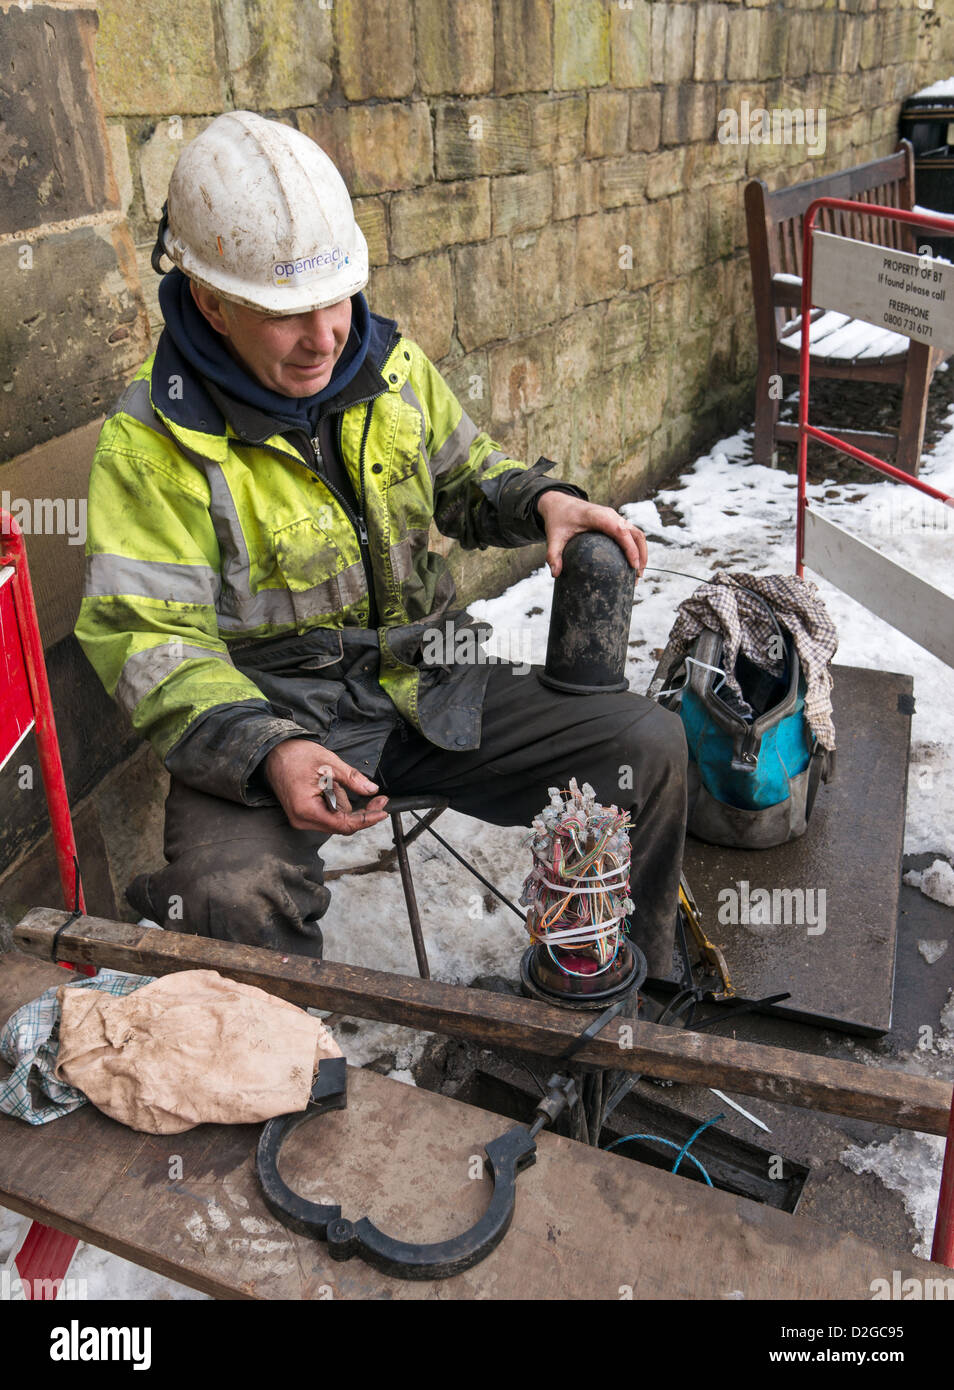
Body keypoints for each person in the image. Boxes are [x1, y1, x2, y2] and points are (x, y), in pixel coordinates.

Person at [74, 111, 687, 978]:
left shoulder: (388, 366)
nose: (325, 336)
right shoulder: (151, 442)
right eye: (285, 314)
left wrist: (542, 499)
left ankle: (641, 994)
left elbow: (467, 475)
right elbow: (150, 639)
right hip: (277, 725)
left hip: (426, 687)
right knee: (229, 898)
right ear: (210, 303)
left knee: (647, 748)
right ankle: (294, 1096)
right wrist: (268, 749)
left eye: (336, 298)